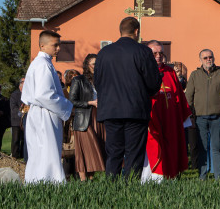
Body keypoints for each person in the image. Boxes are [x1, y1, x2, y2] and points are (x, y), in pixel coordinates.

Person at [94, 17, 161, 180]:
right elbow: (152, 83)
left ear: (120, 31)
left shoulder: (104, 53)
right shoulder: (143, 52)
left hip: (110, 110)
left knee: (114, 152)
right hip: (135, 110)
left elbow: (97, 82)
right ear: (136, 31)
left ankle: (111, 186)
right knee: (134, 152)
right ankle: (130, 188)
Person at [22, 30, 74, 183]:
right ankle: (51, 183)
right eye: (55, 45)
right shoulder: (43, 65)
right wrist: (67, 107)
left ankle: (36, 182)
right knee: (48, 150)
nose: (58, 49)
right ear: (42, 45)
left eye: (59, 45)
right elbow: (43, 94)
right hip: (44, 113)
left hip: (40, 112)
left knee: (40, 151)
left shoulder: (41, 63)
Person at [141, 41, 191, 182]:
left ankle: (169, 176)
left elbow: (179, 97)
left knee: (171, 149)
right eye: (154, 53)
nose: (158, 56)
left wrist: (183, 118)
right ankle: (150, 179)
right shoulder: (143, 71)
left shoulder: (170, 72)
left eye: (161, 53)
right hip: (152, 119)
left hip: (170, 120)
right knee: (153, 149)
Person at [185, 48, 220, 180]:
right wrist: (190, 117)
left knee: (216, 147)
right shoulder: (194, 75)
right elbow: (189, 97)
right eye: (205, 58)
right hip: (199, 118)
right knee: (202, 148)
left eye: (210, 57)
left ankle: (218, 177)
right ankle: (202, 176)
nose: (208, 59)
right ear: (200, 60)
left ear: (214, 58)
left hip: (218, 118)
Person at [68, 54, 106, 181]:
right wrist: (89, 103)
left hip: (99, 118)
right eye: (93, 64)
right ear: (87, 65)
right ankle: (83, 180)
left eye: (98, 64)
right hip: (84, 119)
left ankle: (91, 180)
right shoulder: (78, 80)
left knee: (97, 149)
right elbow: (72, 100)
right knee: (86, 149)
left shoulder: (102, 80)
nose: (96, 66)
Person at [9, 78, 26, 159]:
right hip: (16, 120)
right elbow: (13, 107)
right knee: (16, 139)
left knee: (24, 139)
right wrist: (21, 111)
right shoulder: (14, 95)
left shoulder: (28, 95)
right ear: (20, 86)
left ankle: (23, 155)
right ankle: (15, 155)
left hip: (25, 121)